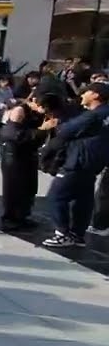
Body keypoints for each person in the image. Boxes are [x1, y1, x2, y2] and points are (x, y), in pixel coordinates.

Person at [41, 82, 109, 248]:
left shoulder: (92, 115)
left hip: (78, 161)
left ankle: (62, 233)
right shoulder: (105, 114)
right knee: (83, 199)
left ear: (96, 96)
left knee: (56, 196)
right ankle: (77, 234)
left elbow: (65, 130)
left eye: (86, 92)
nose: (82, 95)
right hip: (93, 163)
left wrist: (56, 124)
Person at [0, 96, 55, 233]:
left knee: (29, 188)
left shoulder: (39, 113)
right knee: (14, 188)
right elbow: (13, 134)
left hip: (28, 155)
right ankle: (10, 218)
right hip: (14, 157)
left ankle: (22, 215)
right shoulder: (19, 110)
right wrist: (42, 129)